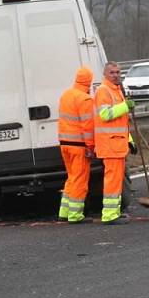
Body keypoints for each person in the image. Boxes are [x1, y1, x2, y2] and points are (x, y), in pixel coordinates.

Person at [94, 62, 135, 225]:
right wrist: (125, 106)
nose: (116, 75)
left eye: (118, 72)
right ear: (105, 74)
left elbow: (121, 121)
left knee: (117, 180)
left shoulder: (116, 90)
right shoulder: (103, 91)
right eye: (112, 72)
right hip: (110, 144)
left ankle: (114, 211)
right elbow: (105, 114)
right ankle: (109, 214)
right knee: (112, 180)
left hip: (118, 144)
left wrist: (129, 140)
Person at [58, 67, 95, 224]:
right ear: (89, 81)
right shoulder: (85, 99)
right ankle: (75, 215)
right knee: (80, 180)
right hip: (79, 146)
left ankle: (64, 212)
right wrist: (91, 147)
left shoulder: (66, 95)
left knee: (72, 178)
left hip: (64, 144)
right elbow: (87, 126)